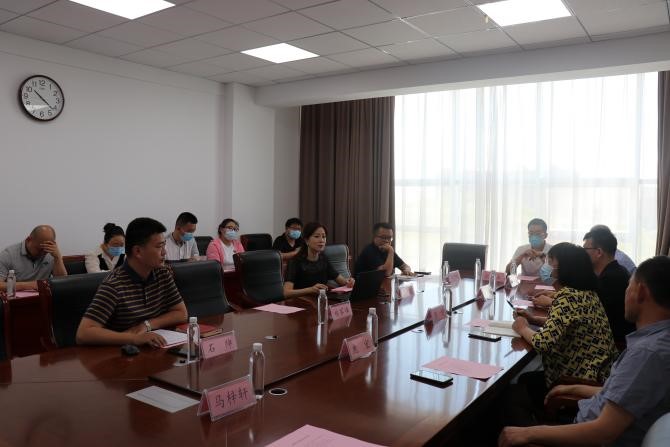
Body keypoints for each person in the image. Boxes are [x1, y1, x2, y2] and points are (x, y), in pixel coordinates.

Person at [500, 256, 670, 447]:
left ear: (641, 292)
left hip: (585, 435)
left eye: (629, 286)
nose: (626, 292)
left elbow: (602, 433)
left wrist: (528, 434)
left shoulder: (647, 354)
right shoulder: (657, 341)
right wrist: (573, 389)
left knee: (509, 402)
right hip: (590, 399)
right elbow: (623, 393)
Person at [511, 243, 618, 415]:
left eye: (550, 261)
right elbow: (567, 324)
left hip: (578, 380)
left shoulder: (568, 297)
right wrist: (533, 319)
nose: (546, 266)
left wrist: (522, 328)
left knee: (514, 392)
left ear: (564, 268)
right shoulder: (585, 293)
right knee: (525, 380)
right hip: (598, 375)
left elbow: (543, 343)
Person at [76, 217, 188, 347]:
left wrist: (146, 325)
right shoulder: (114, 284)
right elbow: (83, 334)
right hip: (122, 353)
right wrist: (133, 338)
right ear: (138, 251)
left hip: (154, 347)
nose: (164, 252)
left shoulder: (163, 273)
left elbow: (181, 313)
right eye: (159, 247)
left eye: (164, 245)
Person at [583, 227, 636, 346]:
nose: (582, 254)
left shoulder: (611, 279)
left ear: (599, 252)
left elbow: (586, 314)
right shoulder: (615, 271)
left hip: (614, 343)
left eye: (585, 249)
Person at [284, 222, 355, 298]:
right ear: (307, 240)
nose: (321, 240)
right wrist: (310, 290)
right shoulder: (295, 261)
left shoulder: (323, 259)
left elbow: (342, 281)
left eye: (324, 237)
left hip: (321, 300)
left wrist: (349, 282)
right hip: (301, 302)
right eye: (317, 236)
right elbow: (286, 293)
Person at [0, 225, 67, 291]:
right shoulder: (8, 255)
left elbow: (62, 283)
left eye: (46, 250)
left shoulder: (51, 253)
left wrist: (58, 258)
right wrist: (31, 285)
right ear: (28, 240)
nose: (43, 253)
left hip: (44, 296)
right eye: (39, 249)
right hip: (17, 296)